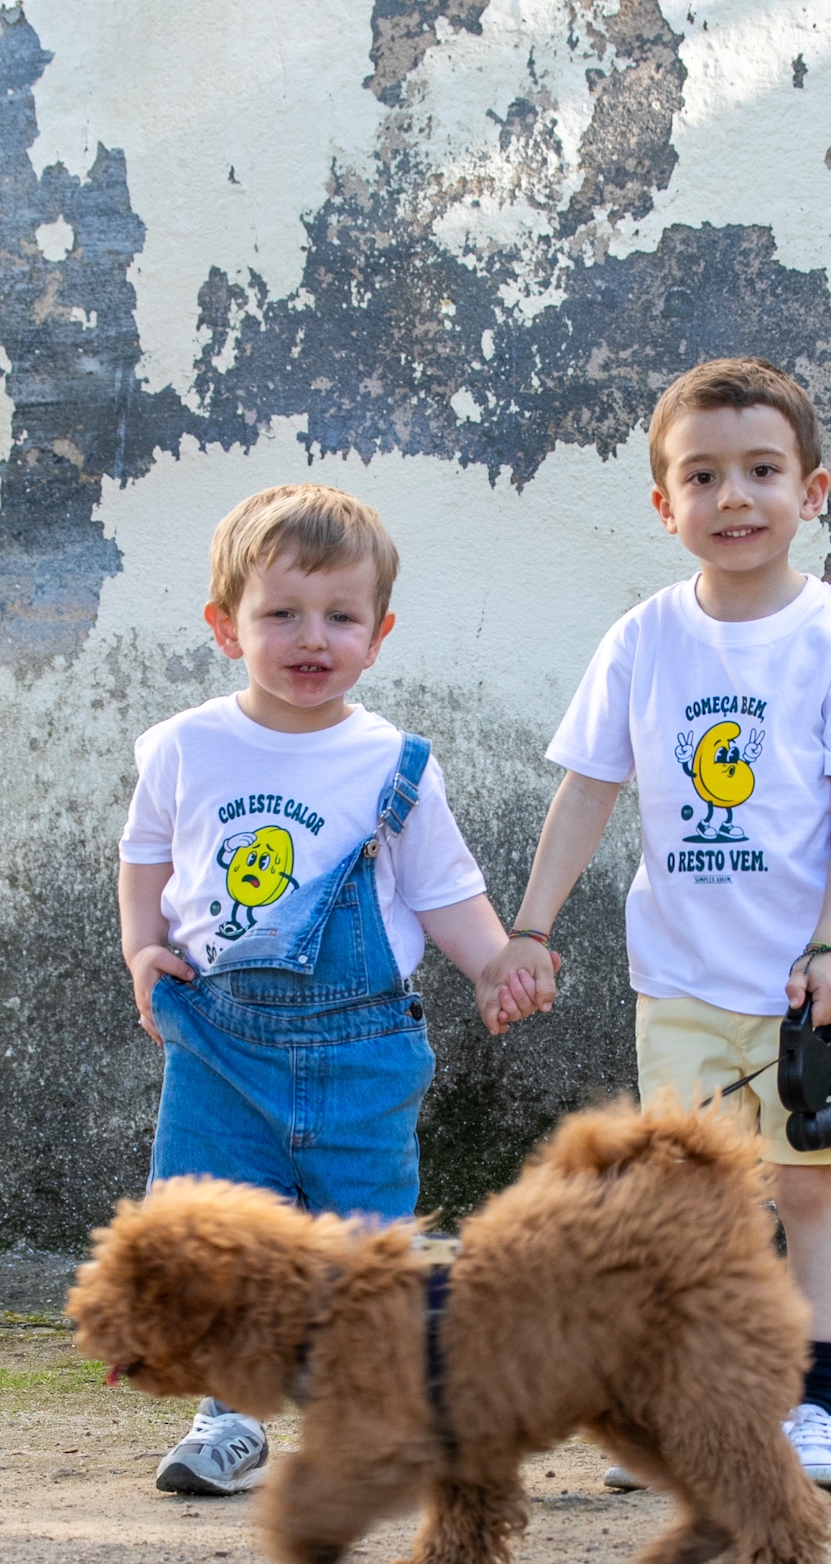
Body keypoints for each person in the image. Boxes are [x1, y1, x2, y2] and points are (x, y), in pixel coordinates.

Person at [477, 358, 831, 1492]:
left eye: (762, 471)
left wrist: (829, 950)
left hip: (803, 990)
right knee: (682, 1206)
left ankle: (811, 1410)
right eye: (703, 476)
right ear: (664, 506)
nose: (734, 498)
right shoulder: (643, 639)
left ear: (811, 492)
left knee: (809, 1188)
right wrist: (528, 926)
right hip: (678, 981)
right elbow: (587, 790)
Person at [118, 483, 513, 1496]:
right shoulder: (183, 748)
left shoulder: (393, 765)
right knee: (216, 1228)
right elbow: (147, 857)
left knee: (368, 1245)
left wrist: (497, 963)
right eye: (281, 614)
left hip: (362, 1050)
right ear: (225, 626)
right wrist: (140, 948)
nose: (312, 638)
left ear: (378, 635)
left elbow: (444, 891)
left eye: (341, 617)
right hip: (220, 1041)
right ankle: (232, 1418)